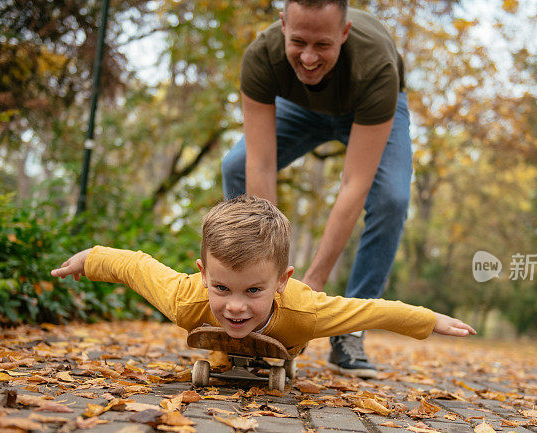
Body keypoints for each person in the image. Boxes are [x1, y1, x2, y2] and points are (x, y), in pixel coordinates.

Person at [221, 0, 412, 377]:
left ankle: (349, 333)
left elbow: (354, 183)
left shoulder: (376, 67)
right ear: (282, 26)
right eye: (298, 42)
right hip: (302, 108)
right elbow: (260, 165)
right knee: (237, 166)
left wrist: (309, 286)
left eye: (322, 45)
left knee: (391, 198)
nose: (308, 57)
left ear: (344, 33)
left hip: (369, 107)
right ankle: (246, 298)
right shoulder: (262, 56)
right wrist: (271, 281)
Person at [51, 196, 475, 362]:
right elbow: (137, 267)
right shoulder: (186, 299)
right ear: (203, 275)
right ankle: (224, 357)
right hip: (221, 342)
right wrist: (90, 258)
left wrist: (428, 320)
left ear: (281, 281)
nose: (235, 305)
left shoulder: (304, 310)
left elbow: (369, 311)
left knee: (280, 352)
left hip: (284, 343)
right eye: (222, 288)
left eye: (253, 290)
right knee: (221, 347)